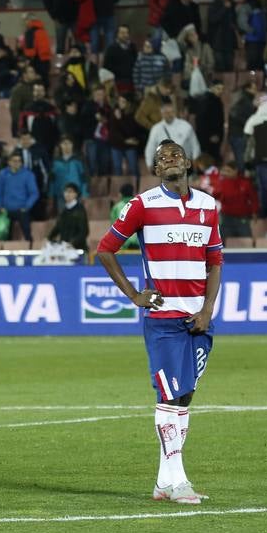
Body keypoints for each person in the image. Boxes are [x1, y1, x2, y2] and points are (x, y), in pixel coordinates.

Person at [95, 139, 223, 506]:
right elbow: (105, 249)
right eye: (162, 158)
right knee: (169, 396)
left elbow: (215, 261)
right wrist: (135, 296)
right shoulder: (142, 205)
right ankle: (178, 479)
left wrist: (208, 309)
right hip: (164, 319)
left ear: (188, 162)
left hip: (197, 319)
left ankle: (163, 482)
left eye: (175, 154)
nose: (170, 160)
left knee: (184, 398)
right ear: (155, 170)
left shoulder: (207, 206)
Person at [144, 102, 200, 175]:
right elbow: (150, 147)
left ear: (174, 112)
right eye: (166, 112)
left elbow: (195, 145)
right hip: (166, 166)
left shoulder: (185, 126)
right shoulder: (156, 128)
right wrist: (149, 164)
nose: (168, 114)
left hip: (184, 164)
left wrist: (195, 160)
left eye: (171, 112)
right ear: (162, 113)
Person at [0, 151, 39, 242]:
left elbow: (34, 193)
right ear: (9, 162)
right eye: (14, 161)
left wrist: (26, 206)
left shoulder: (28, 175)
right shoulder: (2, 174)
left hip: (22, 209)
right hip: (6, 210)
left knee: (27, 235)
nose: (17, 163)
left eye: (19, 161)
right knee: (4, 236)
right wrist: (0, 207)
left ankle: (31, 251)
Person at [213, 161, 257, 239]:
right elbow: (215, 196)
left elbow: (253, 199)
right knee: (225, 243)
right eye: (224, 171)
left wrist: (254, 212)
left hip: (242, 218)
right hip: (226, 219)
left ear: (235, 171)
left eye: (228, 171)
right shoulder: (221, 183)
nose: (225, 173)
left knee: (247, 241)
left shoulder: (245, 183)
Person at [47, 182, 88, 253]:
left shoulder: (80, 210)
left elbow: (84, 231)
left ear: (76, 194)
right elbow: (57, 227)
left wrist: (72, 243)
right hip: (64, 249)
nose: (67, 194)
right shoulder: (64, 211)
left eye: (70, 192)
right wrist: (48, 238)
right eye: (66, 191)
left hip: (78, 249)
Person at [49, 136, 87, 201]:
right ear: (60, 145)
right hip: (61, 196)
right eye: (64, 143)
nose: (67, 146)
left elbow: (85, 178)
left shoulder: (78, 160)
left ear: (72, 145)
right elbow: (52, 180)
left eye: (69, 143)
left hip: (76, 195)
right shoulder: (55, 162)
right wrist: (50, 195)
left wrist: (84, 193)